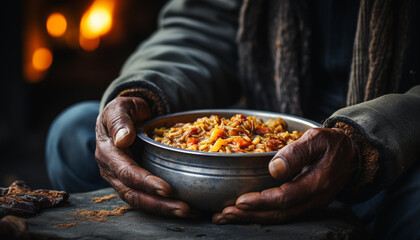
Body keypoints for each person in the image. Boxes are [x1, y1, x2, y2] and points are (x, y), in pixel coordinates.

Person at [46, 0, 420, 238]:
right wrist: (141, 93)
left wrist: (367, 146)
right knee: (74, 133)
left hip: (393, 156)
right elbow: (198, 26)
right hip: (242, 163)